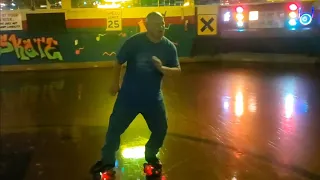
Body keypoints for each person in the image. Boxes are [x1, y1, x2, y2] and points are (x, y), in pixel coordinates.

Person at [90, 11, 181, 176]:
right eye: (156, 24)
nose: (161, 27)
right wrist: (114, 83)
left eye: (162, 23)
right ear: (147, 26)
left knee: (161, 129)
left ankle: (151, 156)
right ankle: (107, 162)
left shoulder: (168, 47)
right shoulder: (134, 42)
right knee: (114, 130)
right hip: (128, 98)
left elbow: (177, 70)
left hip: (153, 99)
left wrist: (162, 69)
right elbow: (118, 61)